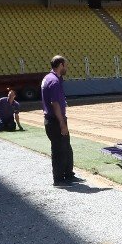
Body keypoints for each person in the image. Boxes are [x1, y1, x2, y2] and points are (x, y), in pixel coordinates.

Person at [41, 55, 80, 186]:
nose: (66, 67)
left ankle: (68, 175)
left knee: (66, 148)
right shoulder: (54, 81)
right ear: (61, 65)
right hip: (55, 120)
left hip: (55, 119)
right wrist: (62, 123)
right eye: (66, 65)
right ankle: (58, 179)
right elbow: (55, 103)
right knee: (58, 150)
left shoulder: (49, 78)